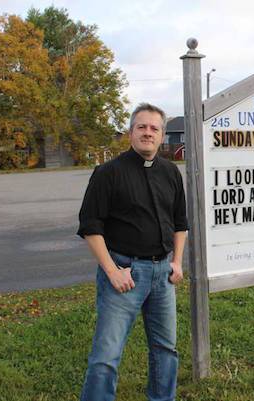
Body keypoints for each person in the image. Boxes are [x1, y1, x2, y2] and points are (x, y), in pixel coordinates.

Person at [77, 103, 188, 401]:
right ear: (130, 133)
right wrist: (112, 271)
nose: (148, 133)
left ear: (162, 135)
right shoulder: (107, 173)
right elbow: (90, 226)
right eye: (142, 127)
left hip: (163, 275)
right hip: (124, 274)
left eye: (154, 128)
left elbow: (180, 223)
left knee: (166, 349)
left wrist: (177, 262)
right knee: (106, 355)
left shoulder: (171, 173)